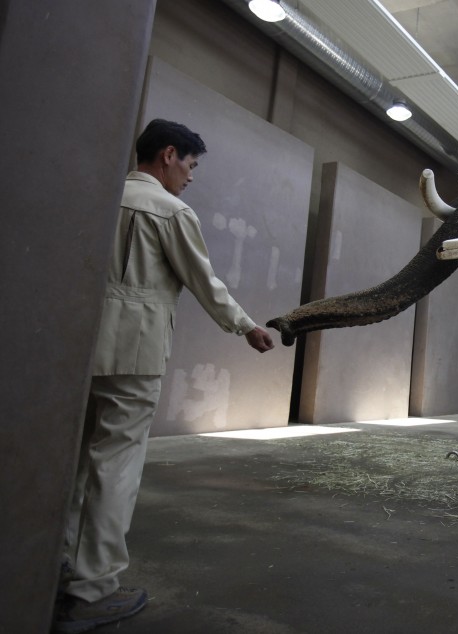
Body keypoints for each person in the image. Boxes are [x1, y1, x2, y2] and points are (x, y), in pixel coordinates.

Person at [54, 119, 275, 633]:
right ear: (169, 155)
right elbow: (204, 281)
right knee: (116, 466)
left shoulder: (100, 195)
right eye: (190, 166)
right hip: (135, 353)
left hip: (79, 348)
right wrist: (245, 326)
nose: (191, 178)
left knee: (75, 462)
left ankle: (59, 563)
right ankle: (92, 591)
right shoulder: (171, 211)